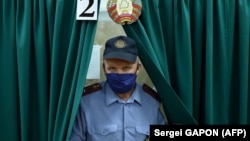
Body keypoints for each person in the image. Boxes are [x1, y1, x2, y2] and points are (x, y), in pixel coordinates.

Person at [69, 35, 166, 141]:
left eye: (126, 68)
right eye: (112, 68)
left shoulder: (152, 102)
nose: (119, 73)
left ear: (138, 68)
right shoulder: (86, 102)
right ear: (104, 68)